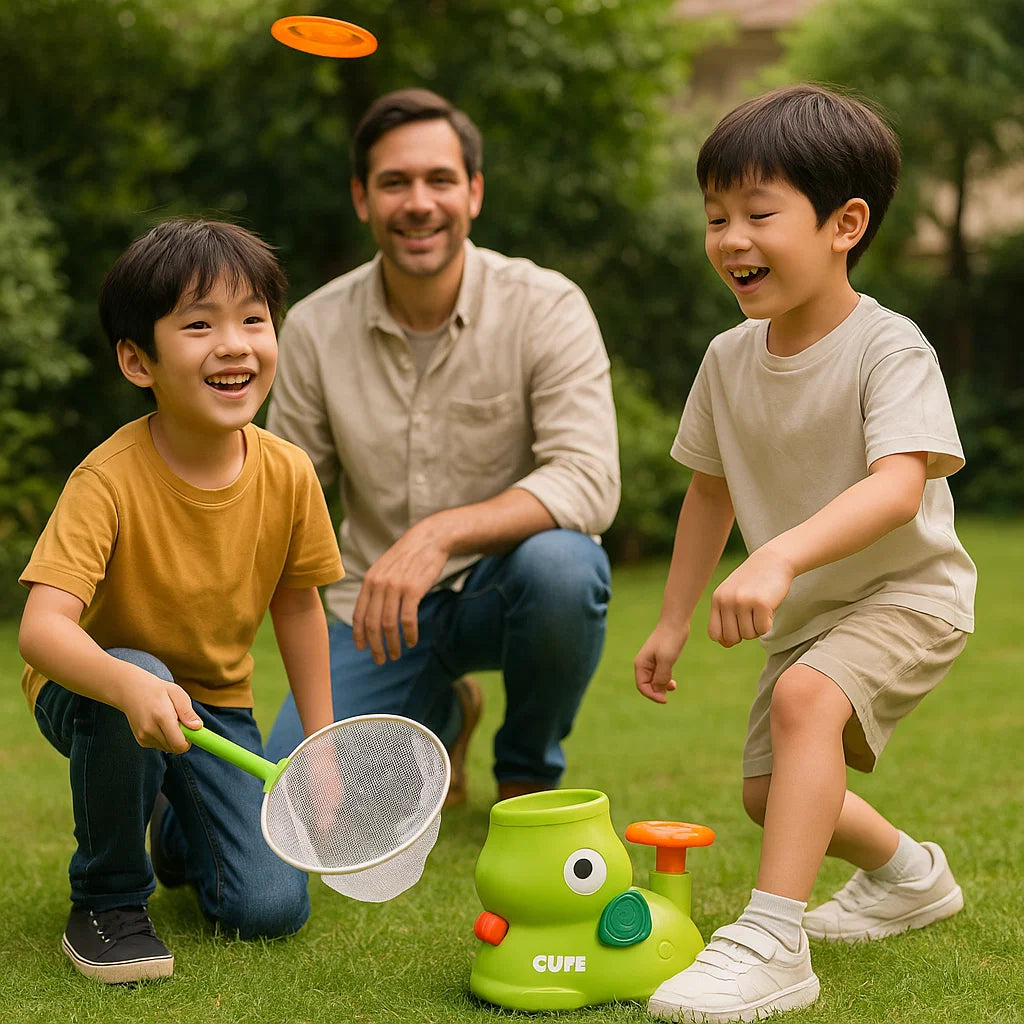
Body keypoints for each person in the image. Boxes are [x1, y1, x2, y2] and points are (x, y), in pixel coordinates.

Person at [633, 84, 976, 1022]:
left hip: (910, 593)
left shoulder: (888, 349)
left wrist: (778, 556)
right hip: (816, 609)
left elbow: (898, 484)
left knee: (802, 701)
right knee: (768, 793)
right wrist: (670, 618)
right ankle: (909, 875)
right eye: (715, 216)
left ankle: (772, 941)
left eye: (758, 213)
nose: (730, 238)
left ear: (844, 223)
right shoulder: (727, 358)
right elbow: (708, 488)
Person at [264, 88, 620, 804]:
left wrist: (437, 535)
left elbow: (588, 480)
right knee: (304, 810)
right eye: (395, 183)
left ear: (475, 193)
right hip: (374, 612)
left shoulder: (546, 305)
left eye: (439, 180)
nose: (418, 202)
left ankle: (526, 773)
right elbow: (283, 501)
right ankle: (449, 713)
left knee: (567, 565)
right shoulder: (311, 328)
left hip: (505, 589)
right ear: (363, 198)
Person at [18, 218, 344, 984]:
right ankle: (106, 898)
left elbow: (298, 606)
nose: (233, 344)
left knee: (269, 911)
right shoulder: (106, 481)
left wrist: (323, 746)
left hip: (215, 715)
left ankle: (175, 827)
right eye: (199, 325)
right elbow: (40, 631)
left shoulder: (289, 473)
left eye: (253, 320)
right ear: (138, 360)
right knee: (134, 667)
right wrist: (129, 683)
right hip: (97, 693)